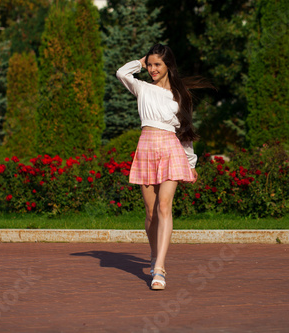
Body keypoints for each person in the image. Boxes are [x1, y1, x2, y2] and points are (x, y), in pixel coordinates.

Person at [116, 44, 212, 290]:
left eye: (157, 64)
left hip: (170, 148)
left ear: (168, 65)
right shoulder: (142, 88)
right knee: (150, 212)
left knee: (164, 205)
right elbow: (121, 73)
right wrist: (141, 60)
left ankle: (159, 267)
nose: (152, 69)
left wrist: (190, 162)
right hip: (146, 147)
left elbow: (186, 132)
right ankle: (153, 254)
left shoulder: (180, 95)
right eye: (149, 65)